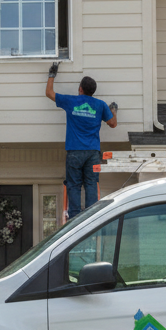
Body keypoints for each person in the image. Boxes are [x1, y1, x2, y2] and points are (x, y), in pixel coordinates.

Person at [46, 69, 116, 218]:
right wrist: (113, 110)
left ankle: (74, 218)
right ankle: (91, 218)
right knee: (91, 183)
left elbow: (49, 93)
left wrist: (51, 75)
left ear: (80, 89)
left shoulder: (71, 101)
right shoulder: (100, 105)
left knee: (74, 185)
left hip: (74, 152)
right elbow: (112, 123)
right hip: (93, 153)